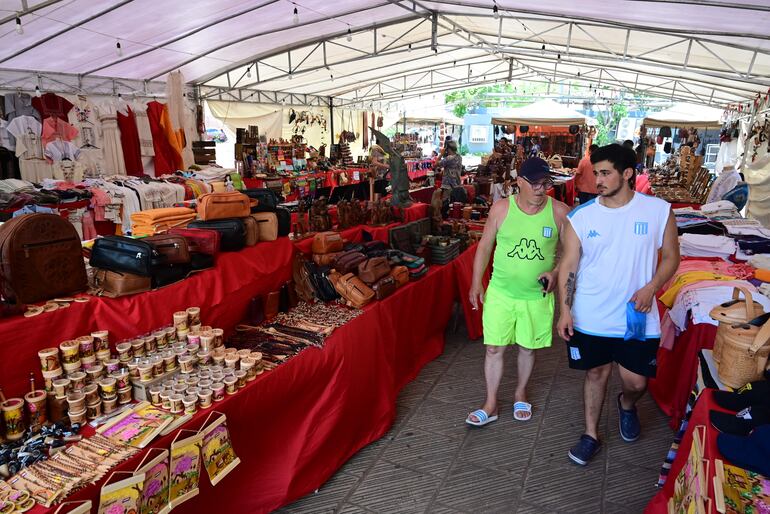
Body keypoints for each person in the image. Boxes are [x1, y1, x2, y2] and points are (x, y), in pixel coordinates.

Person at [556, 143, 679, 466]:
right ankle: (590, 435)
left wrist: (651, 288)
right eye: (596, 173)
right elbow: (568, 265)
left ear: (627, 174)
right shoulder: (581, 217)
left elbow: (671, 257)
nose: (598, 180)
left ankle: (626, 404)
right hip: (591, 314)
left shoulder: (658, 210)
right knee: (596, 373)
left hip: (637, 315)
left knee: (636, 382)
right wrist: (565, 310)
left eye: (605, 173)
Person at [467, 158, 570, 426]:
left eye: (545, 183)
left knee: (527, 347)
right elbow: (485, 246)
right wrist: (476, 282)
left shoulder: (560, 213)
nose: (540, 189)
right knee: (493, 348)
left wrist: (555, 272)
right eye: (534, 183)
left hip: (536, 296)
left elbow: (571, 254)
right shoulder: (501, 209)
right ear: (519, 182)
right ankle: (491, 402)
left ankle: (520, 392)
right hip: (501, 293)